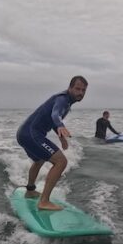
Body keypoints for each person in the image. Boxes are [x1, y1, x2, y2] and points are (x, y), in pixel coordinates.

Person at [17, 76, 88, 211]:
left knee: (39, 160)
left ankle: (30, 191)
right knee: (61, 162)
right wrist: (60, 125)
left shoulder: (66, 102)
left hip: (24, 133)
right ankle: (44, 201)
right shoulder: (63, 99)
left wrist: (61, 137)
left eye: (83, 90)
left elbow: (52, 118)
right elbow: (55, 115)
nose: (80, 92)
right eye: (77, 89)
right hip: (31, 134)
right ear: (70, 88)